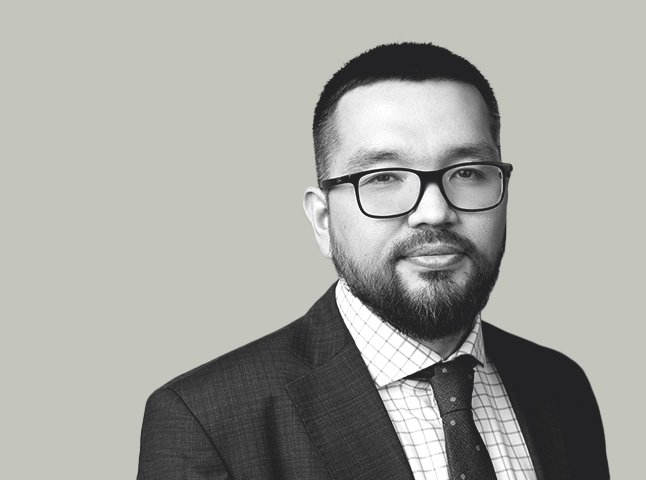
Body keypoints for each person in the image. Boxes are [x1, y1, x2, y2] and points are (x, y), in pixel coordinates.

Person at [137, 42, 609, 480]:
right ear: (323, 219)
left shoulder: (561, 386)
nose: (434, 212)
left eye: (467, 172)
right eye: (384, 177)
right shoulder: (206, 422)